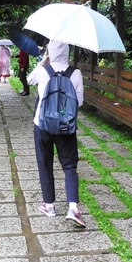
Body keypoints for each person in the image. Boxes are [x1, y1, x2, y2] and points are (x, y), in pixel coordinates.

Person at [27, 41, 86, 228]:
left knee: (45, 163)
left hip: (42, 125)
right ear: (67, 52)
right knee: (69, 166)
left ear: (49, 52)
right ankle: (73, 208)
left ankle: (49, 206)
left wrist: (42, 62)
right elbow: (79, 102)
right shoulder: (75, 73)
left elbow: (29, 80)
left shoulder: (42, 71)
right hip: (66, 127)